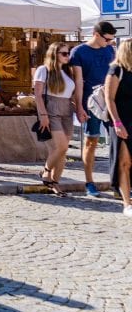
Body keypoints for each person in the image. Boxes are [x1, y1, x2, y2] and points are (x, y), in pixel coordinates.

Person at [70, 21, 117, 196]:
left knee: (117, 142)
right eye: (107, 39)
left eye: (112, 40)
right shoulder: (79, 52)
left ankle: (118, 182)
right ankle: (89, 182)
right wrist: (79, 106)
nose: (109, 43)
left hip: (110, 100)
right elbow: (78, 82)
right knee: (91, 141)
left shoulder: (109, 50)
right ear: (96, 35)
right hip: (91, 102)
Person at [33, 42, 76, 196]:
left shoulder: (67, 72)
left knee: (62, 151)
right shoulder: (44, 70)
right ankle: (45, 171)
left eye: (68, 53)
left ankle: (55, 182)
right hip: (52, 109)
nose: (67, 56)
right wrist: (43, 115)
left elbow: (71, 95)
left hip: (67, 110)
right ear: (54, 54)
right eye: (64, 53)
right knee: (62, 146)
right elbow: (37, 94)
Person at [103, 39, 132, 217]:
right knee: (124, 162)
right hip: (122, 121)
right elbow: (109, 98)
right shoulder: (116, 69)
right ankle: (126, 203)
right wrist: (117, 123)